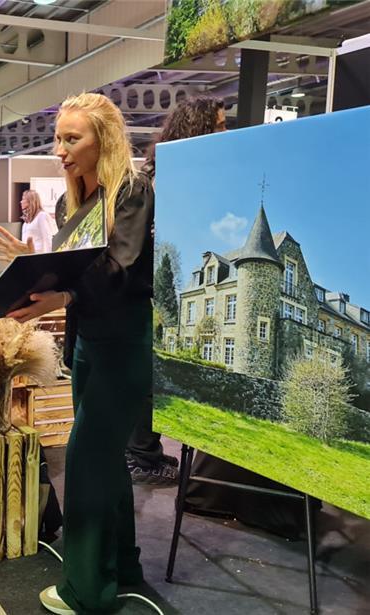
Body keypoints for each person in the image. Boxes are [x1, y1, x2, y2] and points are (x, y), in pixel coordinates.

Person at [0, 93, 154, 614]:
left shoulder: (131, 192)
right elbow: (74, 267)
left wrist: (65, 296)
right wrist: (34, 268)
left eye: (71, 138)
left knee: (85, 461)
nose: (59, 149)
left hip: (122, 347)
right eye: (58, 137)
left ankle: (86, 590)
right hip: (86, 344)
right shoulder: (71, 203)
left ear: (102, 139)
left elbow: (120, 270)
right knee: (104, 463)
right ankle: (121, 566)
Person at [123, 96, 227, 485]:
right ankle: (140, 455)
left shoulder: (165, 175)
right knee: (148, 376)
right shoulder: (160, 181)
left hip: (161, 286)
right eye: (218, 125)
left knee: (154, 375)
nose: (224, 132)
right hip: (147, 289)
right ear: (198, 128)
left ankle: (145, 451)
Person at [19, 189, 57, 254]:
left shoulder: (42, 216)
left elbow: (47, 239)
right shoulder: (26, 222)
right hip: (28, 256)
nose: (21, 202)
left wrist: (49, 258)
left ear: (30, 201)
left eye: (23, 199)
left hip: (39, 256)